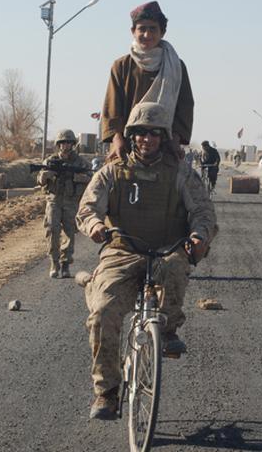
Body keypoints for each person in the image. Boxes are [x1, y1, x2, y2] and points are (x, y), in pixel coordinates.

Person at [76, 102, 216, 420]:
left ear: (164, 138)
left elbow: (203, 211)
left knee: (175, 267)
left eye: (154, 133)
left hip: (168, 248)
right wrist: (96, 226)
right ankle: (107, 392)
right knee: (103, 314)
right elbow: (88, 207)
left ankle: (166, 330)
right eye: (140, 133)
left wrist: (199, 236)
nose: (147, 139)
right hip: (121, 251)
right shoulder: (112, 171)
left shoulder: (180, 173)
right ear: (131, 136)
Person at [101, 1, 194, 163]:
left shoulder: (176, 66)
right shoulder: (122, 66)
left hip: (165, 146)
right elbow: (112, 107)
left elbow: (185, 106)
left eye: (152, 29)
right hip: (126, 146)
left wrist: (176, 139)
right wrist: (117, 139)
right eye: (142, 29)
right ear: (133, 31)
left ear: (162, 32)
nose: (147, 34)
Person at [37, 129, 92, 278]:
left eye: (68, 143)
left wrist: (77, 177)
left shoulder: (81, 163)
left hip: (71, 202)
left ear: (73, 144)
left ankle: (66, 264)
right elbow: (39, 179)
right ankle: (54, 263)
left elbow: (92, 179)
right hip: (54, 200)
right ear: (58, 145)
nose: (65, 146)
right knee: (52, 231)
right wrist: (46, 175)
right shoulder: (50, 161)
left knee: (70, 233)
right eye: (62, 143)